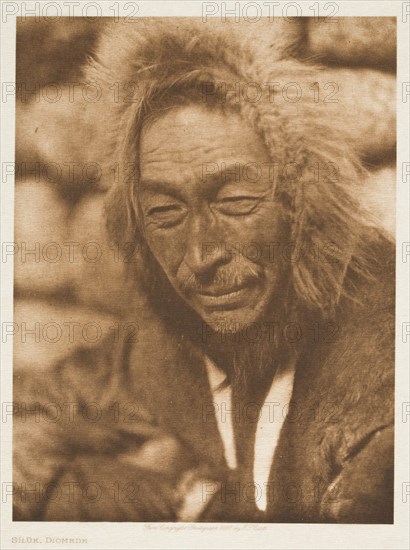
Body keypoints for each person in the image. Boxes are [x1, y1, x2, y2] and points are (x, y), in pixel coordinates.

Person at [13, 19, 394, 523]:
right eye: (165, 213)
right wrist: (103, 487)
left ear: (303, 207)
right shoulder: (167, 343)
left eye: (235, 202)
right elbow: (33, 403)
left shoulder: (384, 359)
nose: (199, 258)